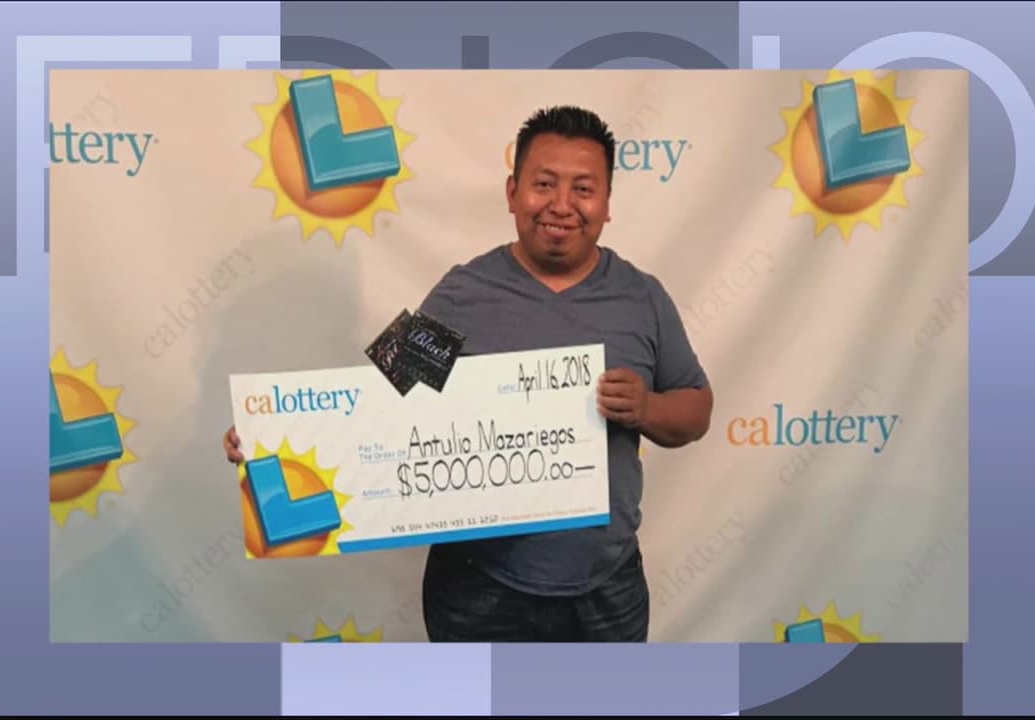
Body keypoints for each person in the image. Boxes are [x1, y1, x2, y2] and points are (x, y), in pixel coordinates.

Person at [224, 105, 713, 642]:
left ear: (607, 203)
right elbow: (374, 409)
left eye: (583, 189)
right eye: (544, 184)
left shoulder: (642, 297)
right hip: (478, 588)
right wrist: (274, 441)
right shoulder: (462, 292)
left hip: (607, 586)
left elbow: (696, 409)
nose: (561, 205)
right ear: (512, 193)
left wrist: (646, 408)